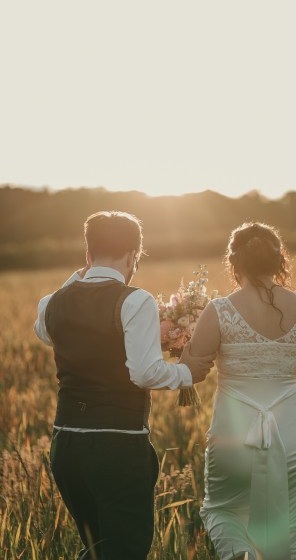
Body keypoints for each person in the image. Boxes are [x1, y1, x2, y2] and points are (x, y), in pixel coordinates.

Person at [34, 210, 214, 560]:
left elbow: (47, 331)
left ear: (87, 254)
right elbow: (144, 373)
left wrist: (81, 275)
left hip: (65, 445)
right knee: (125, 550)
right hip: (117, 445)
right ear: (134, 255)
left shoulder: (50, 304)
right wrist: (187, 372)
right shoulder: (135, 300)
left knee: (98, 549)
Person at [189, 222, 296, 560]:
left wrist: (179, 339)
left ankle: (240, 553)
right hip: (295, 431)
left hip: (233, 435)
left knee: (222, 511)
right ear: (280, 261)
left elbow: (189, 372)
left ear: (233, 264)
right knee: (294, 529)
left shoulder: (218, 311)